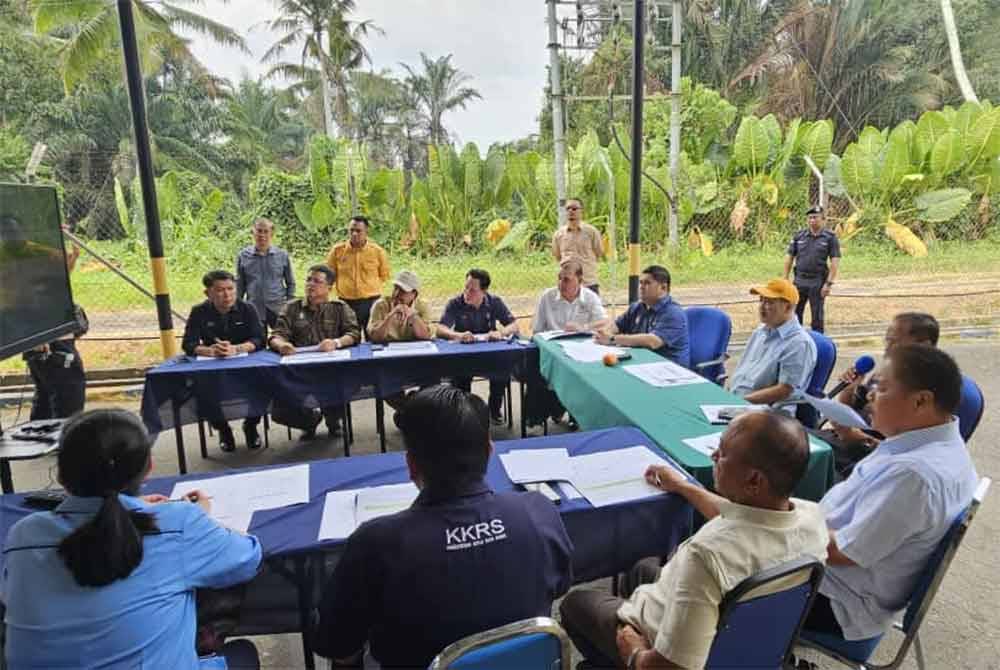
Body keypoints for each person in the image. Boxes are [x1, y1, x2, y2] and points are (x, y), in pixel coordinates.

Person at [310, 385, 573, 668]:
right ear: (489, 451)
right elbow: (559, 586)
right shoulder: (538, 511)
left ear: (411, 465)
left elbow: (337, 645)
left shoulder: (374, 543)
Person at [559, 410, 828, 669]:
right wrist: (681, 486)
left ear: (754, 480)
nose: (713, 456)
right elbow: (739, 517)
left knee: (575, 603)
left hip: (665, 654)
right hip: (748, 640)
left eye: (722, 454)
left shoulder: (707, 556)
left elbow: (672, 667)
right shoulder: (812, 518)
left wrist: (635, 653)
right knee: (640, 570)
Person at [1, 409, 262, 670]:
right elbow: (248, 558)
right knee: (242, 653)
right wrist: (200, 517)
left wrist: (131, 507)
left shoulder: (23, 535)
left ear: (61, 475)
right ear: (148, 468)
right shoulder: (179, 525)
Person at [803, 345, 977, 642]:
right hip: (835, 568)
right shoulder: (939, 446)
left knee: (723, 559)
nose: (870, 396)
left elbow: (842, 551)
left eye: (882, 388)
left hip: (835, 595)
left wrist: (778, 525)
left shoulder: (914, 476)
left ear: (921, 401)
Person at [822, 312, 941, 475]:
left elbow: (903, 457)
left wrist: (859, 439)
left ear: (923, 346)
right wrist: (850, 388)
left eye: (894, 342)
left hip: (867, 462)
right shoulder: (885, 373)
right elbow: (849, 410)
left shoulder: (925, 394)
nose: (887, 347)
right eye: (887, 340)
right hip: (840, 441)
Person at [268, 264, 361, 439]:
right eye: (308, 280)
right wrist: (282, 345)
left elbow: (354, 334)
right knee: (279, 412)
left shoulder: (339, 308)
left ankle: (333, 420)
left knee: (343, 383)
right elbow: (276, 335)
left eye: (317, 281)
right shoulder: (292, 307)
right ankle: (309, 421)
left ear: (329, 287)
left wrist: (336, 342)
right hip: (298, 371)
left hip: (330, 369)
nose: (311, 284)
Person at [181, 270, 266, 451]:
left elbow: (259, 339)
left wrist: (237, 348)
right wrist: (209, 351)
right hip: (213, 366)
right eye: (220, 290)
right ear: (208, 293)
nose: (227, 295)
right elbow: (188, 343)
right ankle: (223, 429)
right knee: (201, 389)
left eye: (230, 289)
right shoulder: (199, 311)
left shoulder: (247, 308)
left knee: (263, 382)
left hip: (245, 364)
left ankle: (251, 426)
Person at [526, 259, 610, 426]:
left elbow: (604, 321)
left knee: (586, 374)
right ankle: (539, 414)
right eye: (559, 278)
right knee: (536, 369)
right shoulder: (547, 296)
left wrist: (583, 327)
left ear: (580, 280)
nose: (561, 283)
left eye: (566, 279)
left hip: (580, 350)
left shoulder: (590, 297)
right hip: (551, 349)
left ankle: (576, 415)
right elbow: (537, 330)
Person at [437, 268, 520, 425]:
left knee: (502, 370)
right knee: (460, 378)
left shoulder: (494, 302)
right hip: (463, 355)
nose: (467, 293)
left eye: (472, 290)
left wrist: (500, 333)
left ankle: (494, 409)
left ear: (484, 291)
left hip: (489, 355)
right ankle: (464, 413)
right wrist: (457, 335)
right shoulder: (455, 303)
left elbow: (514, 325)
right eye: (466, 287)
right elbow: (440, 329)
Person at [23, 226, 86, 421]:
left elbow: (60, 276)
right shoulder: (33, 265)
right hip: (52, 345)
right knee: (68, 396)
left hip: (52, 342)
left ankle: (42, 433)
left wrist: (72, 252)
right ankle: (64, 435)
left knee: (46, 397)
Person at [729, 278, 817, 405]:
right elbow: (743, 370)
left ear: (788, 307)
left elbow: (784, 390)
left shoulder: (799, 343)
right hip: (738, 401)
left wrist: (741, 401)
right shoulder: (760, 332)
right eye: (761, 300)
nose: (762, 307)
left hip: (768, 411)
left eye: (769, 302)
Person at [594, 265, 690, 367]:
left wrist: (612, 339)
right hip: (642, 363)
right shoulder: (637, 307)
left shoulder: (673, 313)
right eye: (641, 282)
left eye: (647, 283)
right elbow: (617, 325)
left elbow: (653, 342)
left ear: (663, 288)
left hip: (668, 368)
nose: (641, 287)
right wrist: (605, 333)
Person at [367, 270, 436, 411]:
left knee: (433, 379)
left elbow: (426, 335)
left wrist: (413, 316)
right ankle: (410, 411)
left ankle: (410, 411)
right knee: (385, 384)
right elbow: (375, 336)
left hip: (417, 359)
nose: (397, 294)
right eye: (396, 288)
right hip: (389, 361)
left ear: (414, 294)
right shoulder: (381, 305)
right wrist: (391, 315)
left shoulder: (423, 306)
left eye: (403, 291)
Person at [324, 215, 390, 336]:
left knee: (373, 337)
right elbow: (329, 276)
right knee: (349, 338)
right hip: (346, 303)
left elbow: (384, 275)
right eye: (351, 230)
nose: (354, 234)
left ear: (366, 232)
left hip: (371, 302)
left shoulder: (377, 252)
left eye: (358, 231)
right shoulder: (337, 251)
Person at [784, 206, 840, 333]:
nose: (812, 220)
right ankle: (795, 340)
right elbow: (789, 257)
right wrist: (785, 278)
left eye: (815, 217)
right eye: (809, 218)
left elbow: (835, 261)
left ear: (823, 219)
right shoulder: (799, 236)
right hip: (799, 280)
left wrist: (828, 284)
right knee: (794, 314)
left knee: (817, 317)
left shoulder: (830, 237)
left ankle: (818, 341)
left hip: (817, 282)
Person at [235, 218, 296, 330]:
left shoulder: (282, 255)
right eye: (259, 231)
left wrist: (289, 304)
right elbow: (240, 284)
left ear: (271, 234)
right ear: (253, 232)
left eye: (266, 231)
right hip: (254, 308)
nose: (262, 235)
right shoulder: (243, 256)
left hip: (277, 307)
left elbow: (290, 282)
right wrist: (238, 306)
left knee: (282, 337)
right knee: (257, 339)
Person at [552, 198, 605, 293]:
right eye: (568, 209)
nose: (570, 211)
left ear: (581, 211)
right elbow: (558, 256)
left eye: (574, 208)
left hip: (589, 283)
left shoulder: (591, 232)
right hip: (567, 284)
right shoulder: (558, 234)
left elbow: (599, 252)